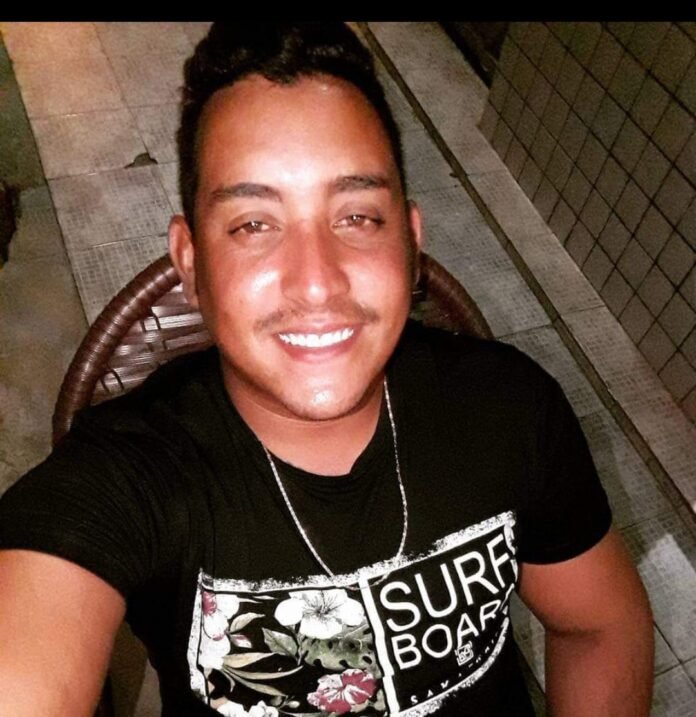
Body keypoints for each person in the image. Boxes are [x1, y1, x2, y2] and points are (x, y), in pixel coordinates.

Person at [0, 22, 653, 717]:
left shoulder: (512, 408)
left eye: (357, 217)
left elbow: (599, 627)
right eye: (254, 224)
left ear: (411, 243)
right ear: (191, 264)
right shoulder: (125, 476)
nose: (316, 282)